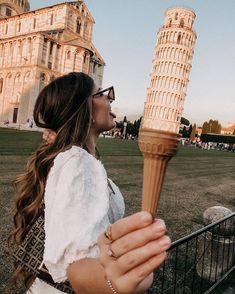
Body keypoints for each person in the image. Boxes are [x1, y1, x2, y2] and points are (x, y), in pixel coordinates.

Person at [11, 72, 171, 294]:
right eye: (103, 93)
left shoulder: (77, 160)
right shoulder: (77, 161)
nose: (111, 99)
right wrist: (114, 285)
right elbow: (79, 268)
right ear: (83, 107)